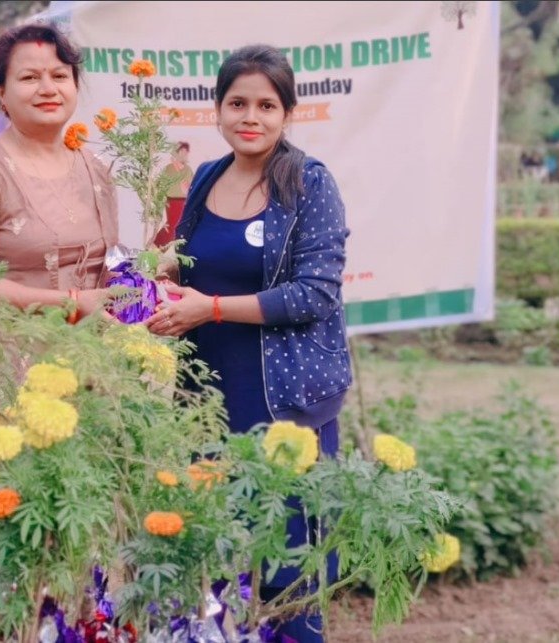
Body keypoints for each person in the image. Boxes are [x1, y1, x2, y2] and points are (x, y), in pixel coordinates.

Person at [144, 44, 350, 643]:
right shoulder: (206, 177)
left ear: (287, 112)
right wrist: (160, 283)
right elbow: (188, 266)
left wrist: (208, 308)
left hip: (281, 400)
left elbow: (314, 293)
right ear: (218, 109)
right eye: (237, 103)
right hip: (205, 395)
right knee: (212, 552)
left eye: (265, 104)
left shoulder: (307, 182)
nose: (249, 116)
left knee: (290, 566)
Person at [0, 22, 117, 321]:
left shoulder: (95, 168)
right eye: (30, 77)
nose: (48, 89)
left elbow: (108, 273)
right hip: (9, 356)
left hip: (89, 358)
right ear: (1, 92)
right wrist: (69, 302)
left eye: (60, 76)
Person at [155, 141, 194, 245]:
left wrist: (188, 188)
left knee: (180, 225)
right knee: (173, 224)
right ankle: (158, 244)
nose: (185, 155)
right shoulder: (169, 169)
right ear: (177, 153)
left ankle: (172, 247)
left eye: (186, 152)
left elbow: (193, 185)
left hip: (185, 201)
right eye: (182, 152)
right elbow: (160, 184)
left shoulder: (188, 170)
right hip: (172, 201)